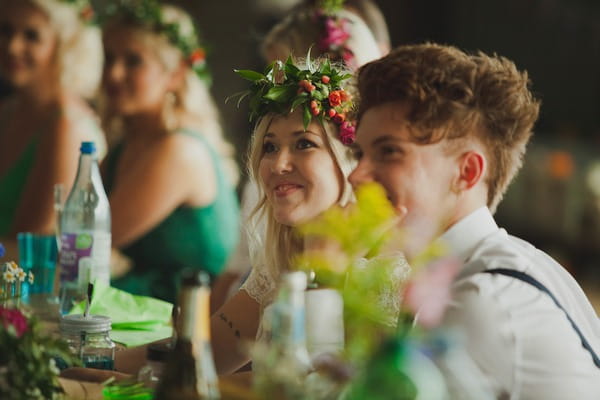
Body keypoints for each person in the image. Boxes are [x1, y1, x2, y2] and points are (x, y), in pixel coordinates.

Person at [349, 42, 600, 398]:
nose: (356, 175)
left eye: (388, 151)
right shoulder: (514, 264)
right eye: (359, 153)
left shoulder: (480, 300)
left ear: (466, 172)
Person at [211, 0, 385, 312]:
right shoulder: (280, 243)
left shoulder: (380, 266)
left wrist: (320, 258)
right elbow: (212, 338)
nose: (279, 90)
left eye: (304, 143)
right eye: (270, 147)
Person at [98, 2, 240, 304]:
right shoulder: (125, 144)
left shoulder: (179, 151)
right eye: (109, 58)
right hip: (137, 302)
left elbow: (88, 240)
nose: (113, 73)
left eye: (133, 61)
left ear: (175, 74)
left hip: (183, 318)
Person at [0, 0, 106, 257]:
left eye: (32, 36)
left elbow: (27, 245)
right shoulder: (8, 109)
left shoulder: (65, 127)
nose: (12, 47)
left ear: (63, 46)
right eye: (5, 30)